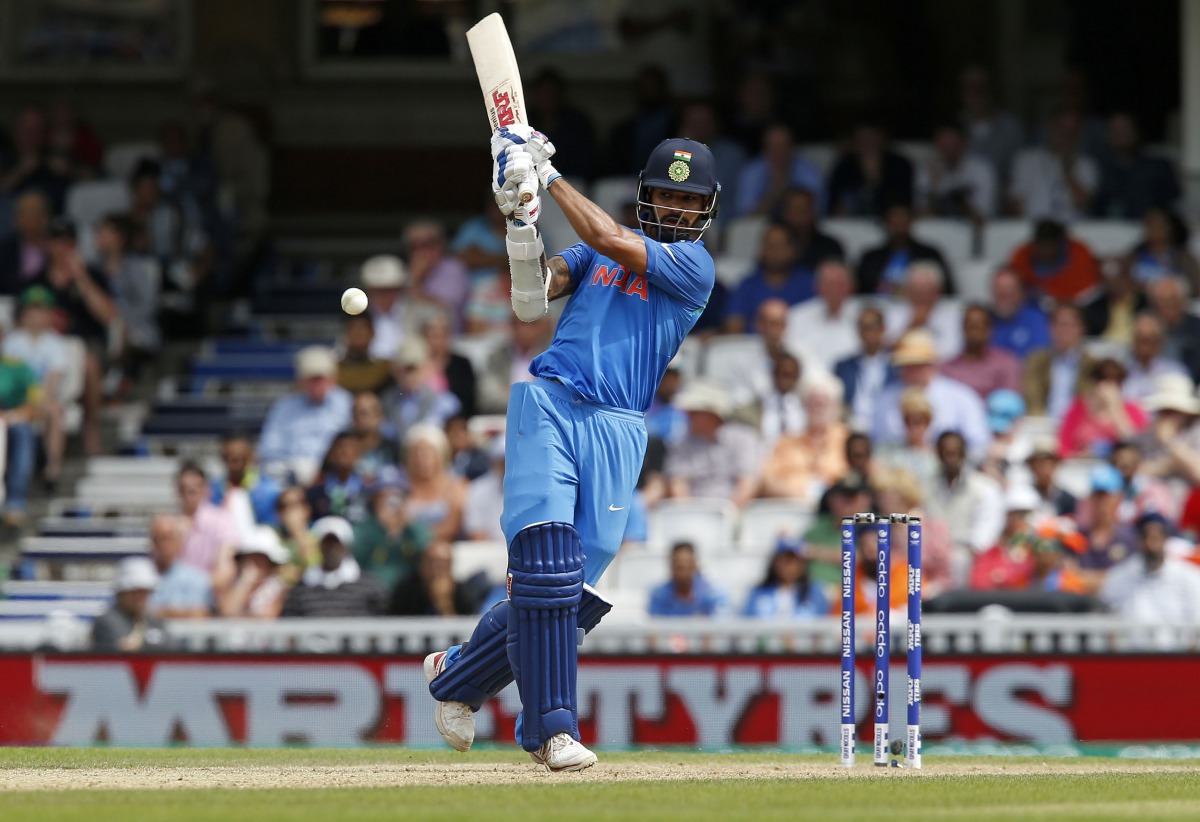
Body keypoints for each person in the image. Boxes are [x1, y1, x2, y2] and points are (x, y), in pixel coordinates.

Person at [425, 128, 720, 770]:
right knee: (547, 569)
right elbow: (533, 294)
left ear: (705, 209)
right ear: (646, 196)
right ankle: (551, 730)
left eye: (688, 201)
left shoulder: (693, 267)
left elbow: (609, 239)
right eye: (666, 196)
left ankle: (458, 675)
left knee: (569, 591)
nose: (675, 210)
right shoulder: (593, 253)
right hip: (553, 406)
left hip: (621, 428)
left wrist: (549, 175)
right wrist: (521, 221)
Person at [871, 330, 990, 453]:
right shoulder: (885, 399)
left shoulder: (961, 397)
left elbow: (979, 443)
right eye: (906, 364)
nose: (912, 370)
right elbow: (875, 442)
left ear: (932, 364)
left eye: (918, 364)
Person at [2, 285, 68, 488]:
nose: (36, 316)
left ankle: (51, 470)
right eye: (31, 311)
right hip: (14, 398)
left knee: (55, 412)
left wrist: (38, 400)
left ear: (50, 315)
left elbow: (54, 378)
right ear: (23, 315)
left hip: (42, 397)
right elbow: (6, 376)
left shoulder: (56, 344)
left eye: (41, 311)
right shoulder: (11, 342)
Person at [258, 346, 353, 482]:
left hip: (336, 474)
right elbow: (270, 448)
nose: (316, 384)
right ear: (300, 380)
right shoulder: (284, 407)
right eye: (311, 379)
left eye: (320, 378)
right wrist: (290, 468)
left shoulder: (347, 403)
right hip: (291, 475)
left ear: (333, 378)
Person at [922, 430, 1005, 585]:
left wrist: (960, 555)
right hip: (931, 559)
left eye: (955, 453)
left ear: (964, 454)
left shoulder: (985, 487)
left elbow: (985, 533)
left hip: (967, 558)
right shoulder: (925, 488)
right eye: (945, 453)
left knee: (959, 561)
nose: (950, 458)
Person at [665, 379, 761, 508]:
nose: (687, 416)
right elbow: (677, 484)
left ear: (712, 414)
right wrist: (689, 513)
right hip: (692, 514)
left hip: (735, 513)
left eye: (694, 413)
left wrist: (728, 514)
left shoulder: (743, 439)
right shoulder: (681, 443)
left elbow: (748, 483)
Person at [757, 371, 848, 501]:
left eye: (824, 403)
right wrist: (800, 497)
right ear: (804, 407)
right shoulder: (785, 442)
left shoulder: (848, 440)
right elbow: (767, 480)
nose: (819, 409)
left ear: (837, 407)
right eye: (814, 403)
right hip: (791, 505)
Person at [1100, 512, 1200, 629]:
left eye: (1156, 538)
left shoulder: (1189, 577)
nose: (1151, 545)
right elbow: (1108, 617)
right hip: (1132, 640)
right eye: (1145, 537)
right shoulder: (1118, 576)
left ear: (1165, 539)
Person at [281, 516, 386, 617]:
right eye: (327, 543)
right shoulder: (302, 589)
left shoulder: (368, 587)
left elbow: (383, 618)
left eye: (336, 544)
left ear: (346, 547)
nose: (332, 550)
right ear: (319, 546)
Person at [1008, 110, 1098, 222]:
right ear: (1050, 127)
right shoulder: (1026, 159)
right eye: (1061, 129)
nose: (1064, 136)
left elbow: (1082, 203)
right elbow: (1016, 204)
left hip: (1073, 231)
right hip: (1035, 229)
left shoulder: (1087, 165)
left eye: (1070, 132)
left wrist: (1067, 168)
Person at [723, 222, 814, 332]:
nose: (772, 251)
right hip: (753, 342)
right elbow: (733, 327)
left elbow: (818, 323)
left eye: (778, 246)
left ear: (792, 250)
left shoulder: (808, 283)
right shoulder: (747, 286)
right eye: (768, 245)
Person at [1092, 113, 1180, 220]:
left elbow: (1174, 205)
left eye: (1125, 128)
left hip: (1150, 227)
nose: (1121, 134)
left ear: (1136, 132)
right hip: (1112, 227)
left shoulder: (1158, 167)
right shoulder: (1100, 169)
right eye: (1116, 129)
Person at [857, 203, 954, 297]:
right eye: (894, 220)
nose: (899, 225)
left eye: (903, 219)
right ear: (886, 223)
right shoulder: (871, 258)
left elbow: (947, 290)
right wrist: (891, 289)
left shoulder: (930, 254)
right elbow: (860, 291)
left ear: (911, 221)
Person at [353, 477, 432, 592]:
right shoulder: (362, 530)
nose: (392, 504)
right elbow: (357, 559)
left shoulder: (415, 528)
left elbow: (427, 552)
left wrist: (408, 525)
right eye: (384, 498)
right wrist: (387, 531)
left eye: (398, 497)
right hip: (372, 591)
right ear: (374, 500)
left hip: (410, 592)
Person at [1058, 359, 1149, 459]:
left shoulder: (1132, 409)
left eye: (1116, 380)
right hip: (1082, 463)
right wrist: (1079, 456)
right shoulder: (1078, 406)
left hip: (1117, 465)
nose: (1109, 385)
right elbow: (1064, 444)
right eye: (1103, 379)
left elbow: (1135, 444)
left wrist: (1116, 409)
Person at [732, 123, 824, 217]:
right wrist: (774, 193)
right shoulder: (751, 172)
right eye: (773, 147)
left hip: (798, 223)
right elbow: (745, 216)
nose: (779, 152)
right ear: (764, 149)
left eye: (783, 146)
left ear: (793, 148)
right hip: (761, 224)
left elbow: (818, 211)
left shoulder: (808, 171)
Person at [381, 336, 461, 444]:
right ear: (395, 370)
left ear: (425, 367)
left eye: (413, 367)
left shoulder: (447, 403)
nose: (409, 374)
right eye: (404, 368)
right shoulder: (385, 402)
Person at [176, 461, 239, 595]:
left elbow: (225, 571)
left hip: (208, 596)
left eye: (194, 489)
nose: (189, 494)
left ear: (206, 489)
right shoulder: (170, 526)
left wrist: (193, 591)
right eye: (184, 489)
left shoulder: (222, 521)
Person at [1023, 303, 1097, 419]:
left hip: (1079, 423)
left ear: (1082, 329)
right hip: (1041, 422)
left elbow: (1090, 401)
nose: (1064, 331)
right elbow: (1032, 398)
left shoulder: (1092, 365)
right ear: (1050, 328)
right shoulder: (1036, 361)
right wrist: (1040, 421)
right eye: (1060, 324)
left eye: (1070, 325)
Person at [784, 259, 860, 371]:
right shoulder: (797, 316)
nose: (834, 290)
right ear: (817, 287)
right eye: (829, 285)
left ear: (850, 286)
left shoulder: (863, 317)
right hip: (808, 379)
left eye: (839, 284)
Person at [826, 124, 914, 217]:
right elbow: (834, 201)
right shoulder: (844, 167)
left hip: (890, 220)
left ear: (883, 139)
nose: (868, 143)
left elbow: (905, 200)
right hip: (853, 221)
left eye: (873, 138)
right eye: (862, 139)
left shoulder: (899, 165)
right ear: (853, 142)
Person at [915, 121, 996, 221]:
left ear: (964, 143)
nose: (948, 150)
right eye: (944, 144)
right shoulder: (928, 168)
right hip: (937, 227)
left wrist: (960, 201)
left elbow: (983, 217)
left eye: (952, 144)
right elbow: (921, 216)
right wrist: (934, 186)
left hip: (970, 228)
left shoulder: (981, 170)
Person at [882, 261, 963, 360]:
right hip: (900, 366)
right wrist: (914, 324)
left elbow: (952, 351)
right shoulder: (894, 313)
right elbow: (886, 348)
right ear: (908, 291)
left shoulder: (952, 316)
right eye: (916, 290)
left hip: (939, 366)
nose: (921, 295)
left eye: (926, 290)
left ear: (938, 291)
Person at [958, 66, 1025, 185]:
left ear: (990, 91)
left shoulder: (1010, 127)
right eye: (970, 90)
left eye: (980, 89)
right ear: (963, 94)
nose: (976, 96)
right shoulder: (954, 125)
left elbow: (1020, 170)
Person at [940, 305, 1021, 399]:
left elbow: (1010, 400)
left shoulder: (1006, 364)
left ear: (989, 329)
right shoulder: (948, 368)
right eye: (971, 326)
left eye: (979, 326)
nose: (974, 332)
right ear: (963, 328)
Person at [1009, 219, 1100, 303]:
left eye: (1049, 246)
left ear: (1060, 244)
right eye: (1041, 246)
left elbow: (1089, 291)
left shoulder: (1080, 255)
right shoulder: (1021, 258)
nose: (1045, 251)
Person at [403, 423, 467, 542]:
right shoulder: (401, 487)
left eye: (427, 453)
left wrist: (421, 537)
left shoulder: (455, 486)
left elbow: (452, 526)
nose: (421, 459)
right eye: (416, 453)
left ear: (440, 454)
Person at [403, 220, 471, 332]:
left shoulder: (453, 269)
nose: (420, 251)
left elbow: (445, 310)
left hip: (448, 337)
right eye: (414, 246)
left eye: (426, 244)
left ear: (440, 246)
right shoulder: (404, 271)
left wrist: (415, 282)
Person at [0, 337, 40, 527]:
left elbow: (35, 403)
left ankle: (15, 500)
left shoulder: (19, 367)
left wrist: (12, 415)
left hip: (12, 418)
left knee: (22, 431)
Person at [91, 557, 171, 652]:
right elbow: (120, 648)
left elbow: (171, 646)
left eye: (145, 592)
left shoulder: (152, 620)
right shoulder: (107, 622)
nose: (140, 598)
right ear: (122, 592)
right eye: (135, 592)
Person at [835, 306, 895, 429]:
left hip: (887, 429)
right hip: (853, 429)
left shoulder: (896, 366)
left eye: (871, 327)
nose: (867, 333)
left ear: (883, 328)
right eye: (862, 328)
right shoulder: (844, 367)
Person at [210, 432, 282, 530]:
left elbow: (273, 526)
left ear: (252, 456)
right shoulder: (212, 490)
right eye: (230, 457)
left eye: (241, 457)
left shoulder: (270, 491)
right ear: (222, 457)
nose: (235, 463)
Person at [742, 538, 830, 618]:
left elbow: (825, 623)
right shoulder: (758, 593)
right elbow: (745, 623)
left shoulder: (815, 593)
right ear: (775, 563)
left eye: (795, 561)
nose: (789, 567)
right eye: (785, 561)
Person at [146, 513, 212, 619]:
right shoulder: (140, 577)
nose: (164, 545)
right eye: (159, 539)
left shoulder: (197, 579)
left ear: (179, 542)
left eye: (169, 538)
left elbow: (199, 614)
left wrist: (161, 613)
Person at [218, 525, 290, 619]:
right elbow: (227, 612)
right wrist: (245, 582)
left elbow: (267, 617)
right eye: (253, 557)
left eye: (262, 558)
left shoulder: (276, 587)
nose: (256, 563)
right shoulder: (233, 581)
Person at [1127, 207, 1200, 294]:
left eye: (1157, 225)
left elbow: (1196, 284)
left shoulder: (1182, 256)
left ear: (1169, 229)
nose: (1151, 229)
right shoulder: (1136, 254)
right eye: (1148, 224)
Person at [647, 541, 730, 617]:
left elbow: (720, 623)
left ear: (695, 565)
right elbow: (655, 625)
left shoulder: (714, 594)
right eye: (678, 567)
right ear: (671, 566)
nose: (682, 573)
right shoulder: (659, 595)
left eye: (685, 566)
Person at [875, 388, 939, 485]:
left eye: (917, 421)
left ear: (928, 422)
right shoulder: (889, 452)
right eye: (907, 420)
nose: (912, 427)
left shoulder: (936, 456)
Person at [1123, 313, 1188, 404]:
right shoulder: (1123, 371)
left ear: (1160, 341)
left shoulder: (1176, 372)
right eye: (1139, 339)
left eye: (1148, 340)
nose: (1144, 346)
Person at [421, 312, 477, 417]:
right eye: (433, 336)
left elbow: (468, 400)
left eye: (441, 336)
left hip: (455, 419)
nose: (437, 342)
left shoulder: (462, 364)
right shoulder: (417, 363)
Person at [306, 431, 369, 524]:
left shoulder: (369, 489)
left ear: (358, 455)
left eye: (351, 448)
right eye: (340, 447)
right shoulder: (315, 489)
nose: (345, 452)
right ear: (331, 453)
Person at [988, 268, 1050, 360]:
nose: (1004, 294)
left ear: (1020, 293)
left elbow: (1042, 357)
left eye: (1009, 289)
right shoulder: (985, 321)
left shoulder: (1036, 320)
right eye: (999, 289)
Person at [1147, 276, 1200, 382]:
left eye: (1172, 300)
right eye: (1162, 301)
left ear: (1183, 301)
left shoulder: (1197, 328)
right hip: (1150, 385)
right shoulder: (1147, 328)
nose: (1168, 306)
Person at [347, 390, 399, 482]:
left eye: (363, 413)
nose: (357, 418)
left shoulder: (393, 449)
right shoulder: (343, 447)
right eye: (354, 413)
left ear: (379, 416)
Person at [463, 436, 506, 543]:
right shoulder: (478, 488)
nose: (507, 466)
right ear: (494, 462)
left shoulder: (532, 489)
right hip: (488, 550)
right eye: (503, 461)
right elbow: (475, 532)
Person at [1025, 436, 1078, 521]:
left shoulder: (1068, 499)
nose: (1043, 469)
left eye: (1047, 463)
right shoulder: (1023, 496)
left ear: (1055, 465)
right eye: (1039, 464)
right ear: (1031, 467)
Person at [337, 313, 391, 394]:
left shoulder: (384, 369)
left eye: (363, 328)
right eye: (353, 327)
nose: (358, 332)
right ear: (345, 333)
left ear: (372, 334)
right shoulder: (333, 370)